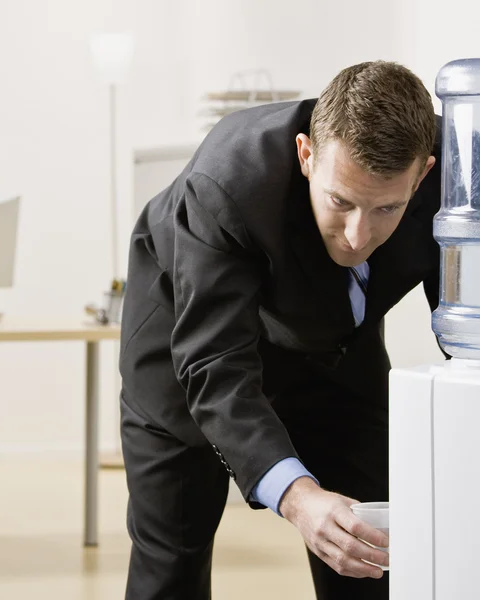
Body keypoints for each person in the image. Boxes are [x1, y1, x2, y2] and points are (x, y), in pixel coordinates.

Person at [119, 60, 441, 600]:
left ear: (424, 174)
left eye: (387, 208)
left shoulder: (458, 175)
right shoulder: (227, 183)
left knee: (371, 552)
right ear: (306, 155)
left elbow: (471, 328)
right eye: (341, 201)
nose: (359, 236)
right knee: (171, 560)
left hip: (336, 351)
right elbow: (216, 367)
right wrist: (297, 497)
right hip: (187, 347)